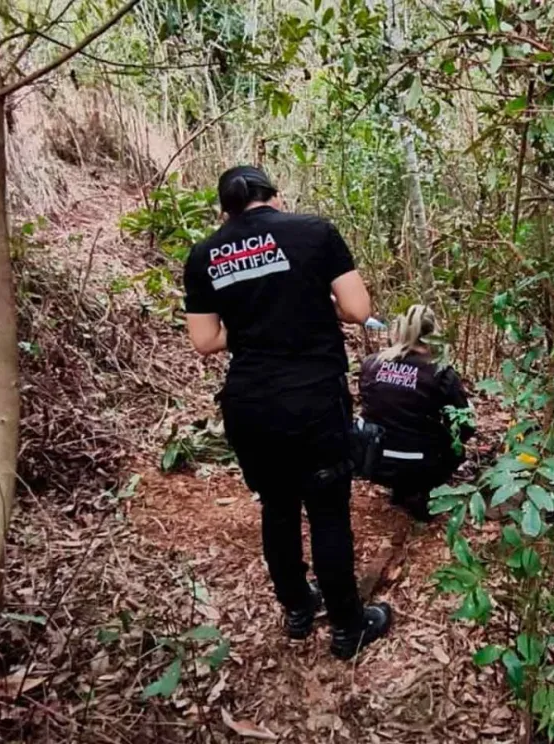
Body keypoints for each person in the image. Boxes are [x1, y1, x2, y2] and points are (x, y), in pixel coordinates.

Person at [183, 165, 391, 659]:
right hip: (313, 399)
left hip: (250, 405)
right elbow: (360, 310)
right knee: (327, 511)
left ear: (224, 211)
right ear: (275, 199)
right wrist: (305, 304)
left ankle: (298, 608)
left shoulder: (203, 254)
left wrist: (254, 320)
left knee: (277, 506)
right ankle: (347, 626)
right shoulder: (313, 232)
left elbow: (205, 340)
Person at [358, 305, 475, 521]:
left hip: (373, 461)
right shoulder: (441, 374)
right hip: (421, 465)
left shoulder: (371, 364)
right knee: (454, 445)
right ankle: (417, 491)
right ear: (434, 335)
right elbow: (465, 426)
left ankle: (400, 488)